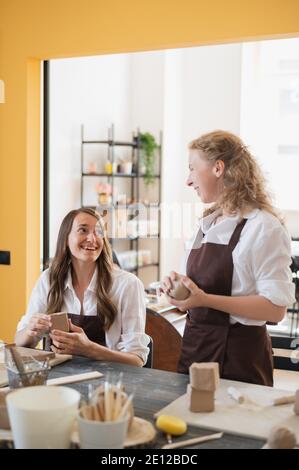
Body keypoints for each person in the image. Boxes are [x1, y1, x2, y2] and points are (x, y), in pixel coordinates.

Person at [161, 130, 295, 385]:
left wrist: (205, 299)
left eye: (192, 168)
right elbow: (191, 297)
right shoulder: (206, 225)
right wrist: (177, 290)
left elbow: (276, 309)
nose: (188, 181)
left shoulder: (263, 227)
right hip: (195, 351)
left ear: (218, 168)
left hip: (238, 360)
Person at [15, 208, 149, 367]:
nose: (92, 239)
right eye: (83, 230)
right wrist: (30, 330)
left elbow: (137, 360)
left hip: (107, 386)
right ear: (66, 238)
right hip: (56, 383)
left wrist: (89, 349)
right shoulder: (48, 279)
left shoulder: (128, 285)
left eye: (99, 232)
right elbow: (20, 342)